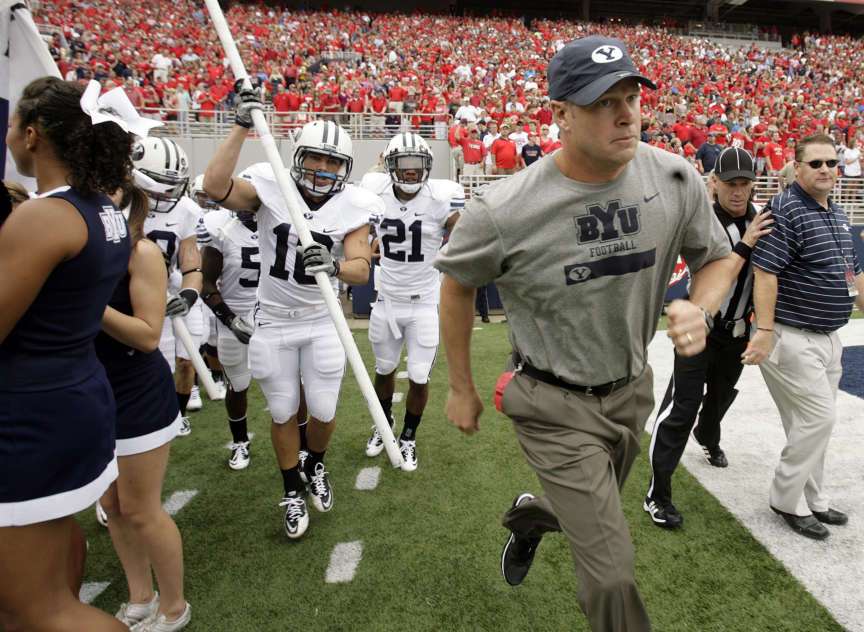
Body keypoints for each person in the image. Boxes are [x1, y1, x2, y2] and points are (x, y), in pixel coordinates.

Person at [435, 36, 737, 632]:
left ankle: (531, 517)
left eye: (631, 97)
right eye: (603, 102)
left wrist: (699, 307)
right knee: (612, 572)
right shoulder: (505, 209)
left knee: (591, 513)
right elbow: (457, 284)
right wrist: (460, 386)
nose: (625, 114)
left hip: (630, 392)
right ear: (561, 114)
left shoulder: (672, 177)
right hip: (551, 401)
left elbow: (719, 258)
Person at [204, 89, 379, 540]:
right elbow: (215, 186)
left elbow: (360, 267)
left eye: (333, 162)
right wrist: (241, 126)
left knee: (321, 409)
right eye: (315, 159)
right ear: (298, 157)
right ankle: (290, 490)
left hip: (322, 321)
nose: (323, 170)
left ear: (345, 168)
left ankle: (315, 465)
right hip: (275, 320)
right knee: (282, 411)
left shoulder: (354, 206)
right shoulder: (271, 188)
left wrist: (336, 265)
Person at [0, 76, 132, 631]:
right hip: (73, 394)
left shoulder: (43, 216)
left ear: (32, 135)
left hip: (31, 411)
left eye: (12, 126)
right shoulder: (101, 206)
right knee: (51, 567)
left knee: (37, 608)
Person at [644, 148, 774, 528]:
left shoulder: (761, 219)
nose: (737, 191)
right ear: (713, 182)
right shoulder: (700, 220)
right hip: (699, 326)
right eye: (730, 183)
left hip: (735, 330)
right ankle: (658, 493)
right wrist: (746, 241)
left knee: (717, 397)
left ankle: (708, 433)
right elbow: (710, 274)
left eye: (745, 183)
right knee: (681, 407)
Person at [746, 134, 864, 540]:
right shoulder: (786, 208)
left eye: (832, 163)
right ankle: (785, 498)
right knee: (818, 419)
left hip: (830, 335)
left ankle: (814, 498)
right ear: (796, 168)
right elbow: (766, 272)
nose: (826, 170)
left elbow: (853, 273)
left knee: (810, 425)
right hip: (791, 334)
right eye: (815, 163)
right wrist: (763, 331)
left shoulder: (835, 214)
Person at [96, 183, 190, 631]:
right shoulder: (72, 247)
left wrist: (87, 300)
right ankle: (140, 596)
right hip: (91, 387)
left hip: (135, 389)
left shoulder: (141, 251)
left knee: (140, 508)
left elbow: (149, 335)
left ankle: (174, 607)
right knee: (112, 505)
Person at [360, 132, 462, 471]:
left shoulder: (442, 197)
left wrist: (457, 242)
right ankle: (383, 422)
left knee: (419, 375)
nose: (411, 172)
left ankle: (408, 436)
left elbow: (463, 229)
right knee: (384, 369)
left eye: (418, 165)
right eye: (403, 165)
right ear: (390, 166)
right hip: (386, 300)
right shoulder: (374, 190)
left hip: (423, 304)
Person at [133, 138, 205, 436]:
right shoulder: (119, 203)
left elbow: (192, 263)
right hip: (135, 295)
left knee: (187, 361)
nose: (167, 193)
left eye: (172, 184)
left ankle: (177, 413)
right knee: (152, 366)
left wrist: (188, 295)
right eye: (159, 183)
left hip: (173, 289)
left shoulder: (186, 209)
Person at [201, 198, 260, 471]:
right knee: (237, 385)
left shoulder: (283, 227)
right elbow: (206, 283)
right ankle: (240, 442)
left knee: (292, 385)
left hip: (274, 318)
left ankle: (303, 447)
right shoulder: (222, 232)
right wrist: (229, 318)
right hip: (235, 316)